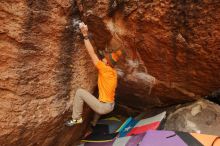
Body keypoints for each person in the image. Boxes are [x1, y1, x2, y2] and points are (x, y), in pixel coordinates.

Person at [65, 22, 123, 126]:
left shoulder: (104, 69)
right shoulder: (113, 72)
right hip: (110, 105)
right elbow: (115, 55)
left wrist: (85, 35)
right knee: (99, 98)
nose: (103, 58)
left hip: (104, 107)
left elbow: (92, 54)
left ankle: (76, 118)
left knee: (79, 92)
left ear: (107, 63)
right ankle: (94, 122)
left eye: (105, 58)